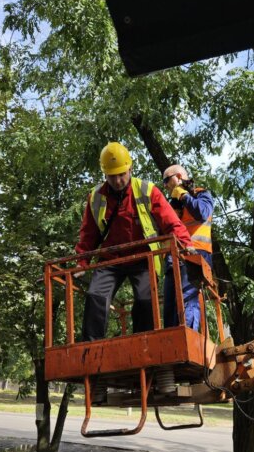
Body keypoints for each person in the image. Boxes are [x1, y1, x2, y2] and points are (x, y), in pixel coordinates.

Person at [75, 142, 193, 341]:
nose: (118, 180)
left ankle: (143, 345)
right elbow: (89, 233)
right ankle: (91, 349)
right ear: (105, 174)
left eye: (122, 174)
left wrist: (184, 243)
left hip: (143, 257)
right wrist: (82, 262)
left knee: (146, 300)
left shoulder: (147, 190)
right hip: (110, 258)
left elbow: (170, 221)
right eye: (113, 176)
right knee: (95, 296)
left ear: (130, 168)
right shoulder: (96, 197)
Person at [162, 164, 214, 330]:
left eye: (166, 180)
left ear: (178, 177)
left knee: (187, 299)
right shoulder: (174, 203)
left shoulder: (201, 194)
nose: (165, 185)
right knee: (169, 304)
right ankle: (171, 342)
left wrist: (184, 195)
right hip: (174, 257)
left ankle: (189, 336)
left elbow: (202, 213)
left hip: (196, 253)